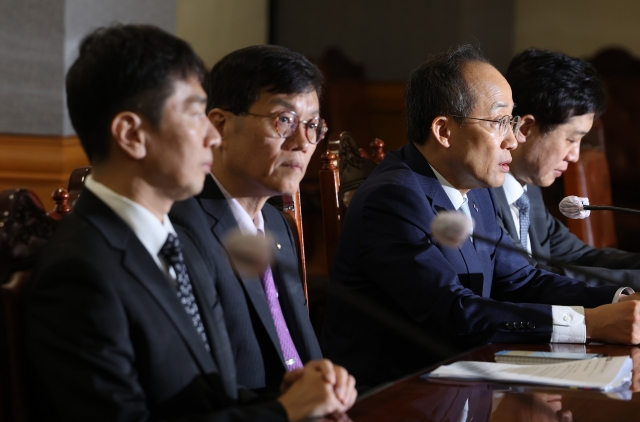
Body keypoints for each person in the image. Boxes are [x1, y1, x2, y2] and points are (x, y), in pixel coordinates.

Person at [24, 24, 356, 421]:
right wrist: (283, 412)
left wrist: (284, 396)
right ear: (131, 134)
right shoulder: (80, 270)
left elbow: (204, 398)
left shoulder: (162, 241)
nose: (211, 137)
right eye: (194, 115)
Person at [321, 45, 640, 388]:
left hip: (465, 377)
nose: (512, 141)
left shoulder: (477, 190)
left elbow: (523, 280)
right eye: (500, 122)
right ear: (444, 131)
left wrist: (618, 301)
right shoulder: (393, 198)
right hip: (399, 395)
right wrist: (589, 323)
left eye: (512, 121)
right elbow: (453, 312)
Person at [170, 45, 326, 393]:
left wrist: (327, 383)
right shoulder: (184, 230)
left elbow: (301, 355)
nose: (303, 142)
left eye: (312, 125)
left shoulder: (276, 223)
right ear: (220, 126)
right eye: (283, 120)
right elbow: (196, 387)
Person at [493, 48, 640, 287]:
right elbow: (530, 280)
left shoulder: (528, 188)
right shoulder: (481, 193)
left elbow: (581, 256)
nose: (575, 156)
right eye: (571, 139)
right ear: (526, 129)